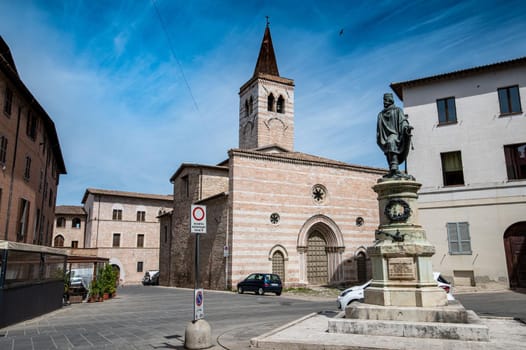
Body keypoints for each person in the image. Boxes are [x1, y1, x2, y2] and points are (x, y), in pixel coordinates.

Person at [376, 93, 413, 178]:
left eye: (386, 99)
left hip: (396, 135)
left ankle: (394, 167)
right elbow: (379, 129)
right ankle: (392, 169)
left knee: (391, 141)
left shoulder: (397, 110)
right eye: (384, 100)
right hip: (384, 136)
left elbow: (403, 121)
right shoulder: (381, 114)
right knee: (388, 143)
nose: (384, 102)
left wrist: (406, 127)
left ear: (391, 100)